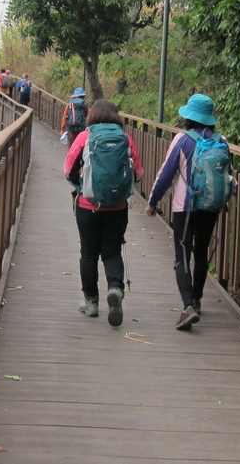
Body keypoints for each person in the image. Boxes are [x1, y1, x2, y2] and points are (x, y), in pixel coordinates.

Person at [145, 93, 232, 331]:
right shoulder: (221, 141)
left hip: (185, 207)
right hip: (211, 207)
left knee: (182, 254)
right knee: (201, 251)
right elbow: (228, 176)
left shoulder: (182, 140)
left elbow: (166, 174)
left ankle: (187, 307)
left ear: (189, 118)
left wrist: (153, 202)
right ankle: (196, 299)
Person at [64, 99, 143, 327]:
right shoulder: (125, 138)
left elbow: (68, 169)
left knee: (88, 253)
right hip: (118, 207)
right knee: (112, 251)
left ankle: (91, 302)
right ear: (116, 116)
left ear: (91, 116)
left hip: (88, 206)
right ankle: (116, 289)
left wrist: (81, 187)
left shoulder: (85, 137)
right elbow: (138, 173)